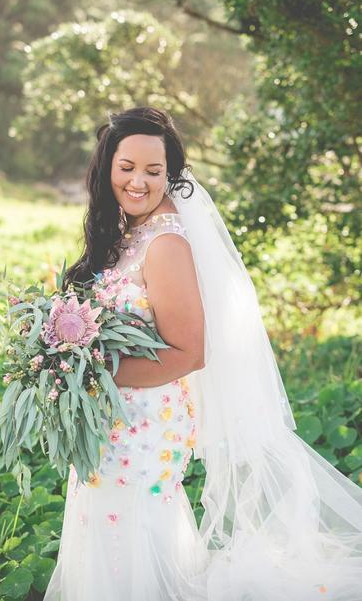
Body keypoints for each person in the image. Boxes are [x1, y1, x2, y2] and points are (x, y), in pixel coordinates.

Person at [43, 107, 362, 601]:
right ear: (106, 166)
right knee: (109, 525)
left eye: (154, 171)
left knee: (129, 527)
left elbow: (191, 352)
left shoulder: (165, 240)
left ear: (171, 174)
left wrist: (100, 373)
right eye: (127, 167)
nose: (139, 181)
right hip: (113, 414)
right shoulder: (128, 229)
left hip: (144, 421)